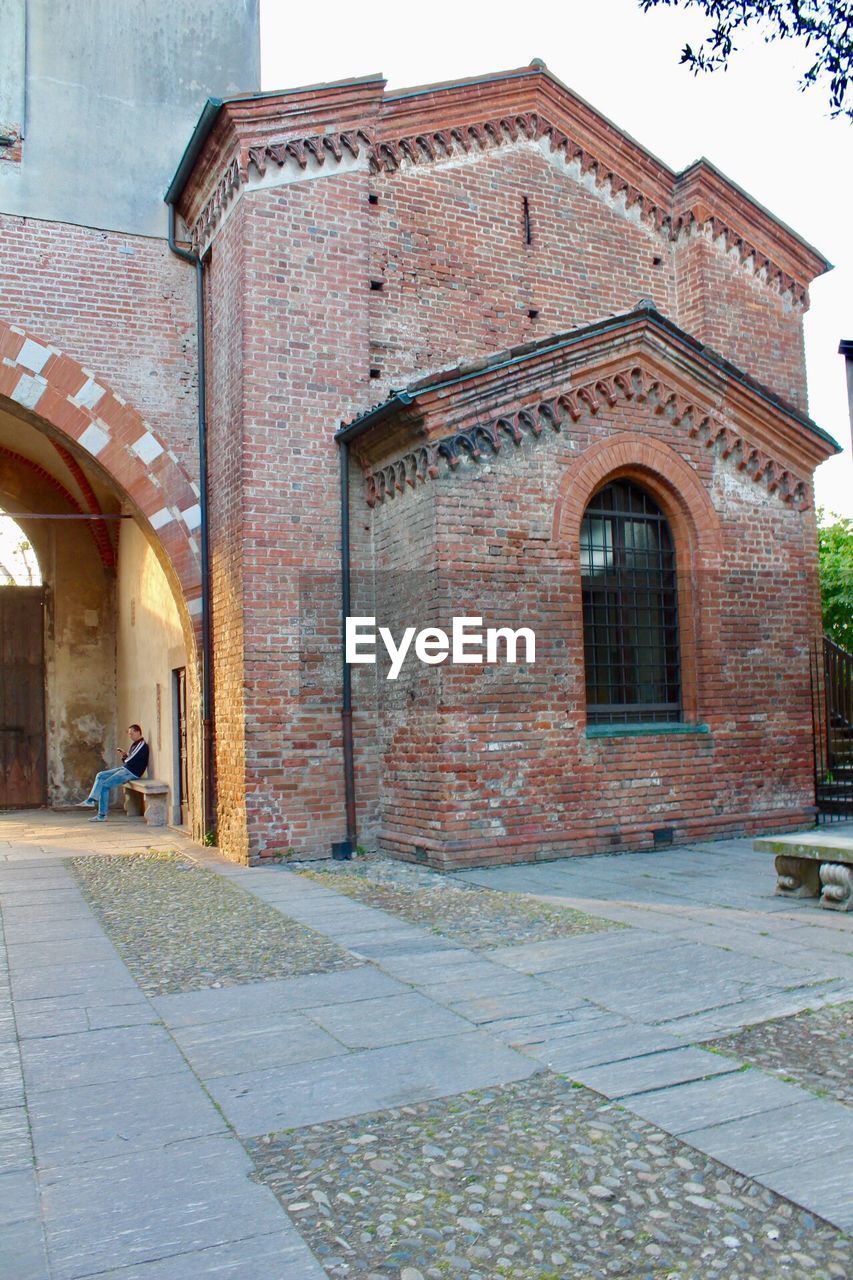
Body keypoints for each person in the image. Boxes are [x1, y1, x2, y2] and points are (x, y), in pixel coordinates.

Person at [78, 724, 150, 821]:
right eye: (129, 734)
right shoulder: (135, 744)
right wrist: (125, 755)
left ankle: (102, 815)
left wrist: (126, 756)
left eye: (131, 734)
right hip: (125, 769)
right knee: (100, 775)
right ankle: (91, 800)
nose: (130, 736)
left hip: (131, 773)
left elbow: (130, 760)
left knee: (105, 786)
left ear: (138, 732)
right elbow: (128, 760)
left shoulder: (142, 744)